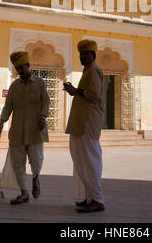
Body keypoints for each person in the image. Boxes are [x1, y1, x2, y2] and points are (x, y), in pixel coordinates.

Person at [0, 51, 50, 205]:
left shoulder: (39, 82)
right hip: (18, 129)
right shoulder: (14, 86)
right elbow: (8, 107)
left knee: (36, 159)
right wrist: (1, 122)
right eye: (17, 69)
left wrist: (43, 117)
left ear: (28, 65)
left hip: (35, 128)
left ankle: (36, 178)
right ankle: (24, 192)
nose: (19, 71)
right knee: (17, 162)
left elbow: (46, 101)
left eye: (21, 67)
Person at [64, 39, 106, 213]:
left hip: (88, 122)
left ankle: (97, 199)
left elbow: (94, 95)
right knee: (80, 159)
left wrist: (76, 91)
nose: (82, 56)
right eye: (81, 54)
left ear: (93, 55)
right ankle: (87, 197)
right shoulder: (87, 71)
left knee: (89, 160)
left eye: (86, 53)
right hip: (81, 122)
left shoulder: (94, 70)